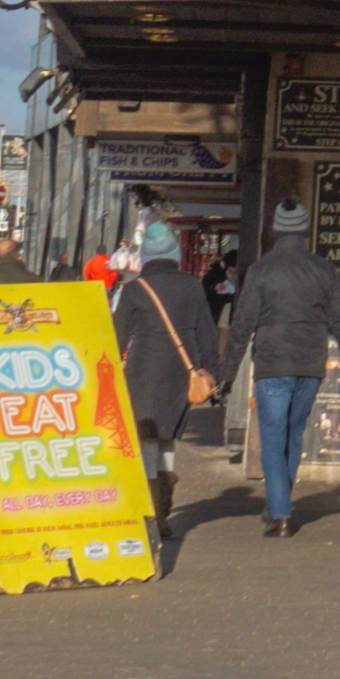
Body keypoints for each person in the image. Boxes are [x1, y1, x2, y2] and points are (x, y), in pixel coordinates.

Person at [216, 201, 340, 539]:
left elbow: (242, 325)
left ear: (277, 230)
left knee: (273, 438)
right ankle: (279, 506)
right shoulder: (324, 269)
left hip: (272, 364)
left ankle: (280, 515)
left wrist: (227, 375)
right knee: (294, 437)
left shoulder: (261, 271)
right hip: (310, 364)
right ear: (305, 231)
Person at [109, 221, 217, 527]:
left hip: (144, 369)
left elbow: (117, 338)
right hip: (184, 369)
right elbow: (207, 334)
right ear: (174, 254)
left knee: (147, 440)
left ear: (145, 255)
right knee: (168, 438)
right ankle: (164, 509)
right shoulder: (192, 286)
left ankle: (154, 513)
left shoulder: (133, 291)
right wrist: (214, 374)